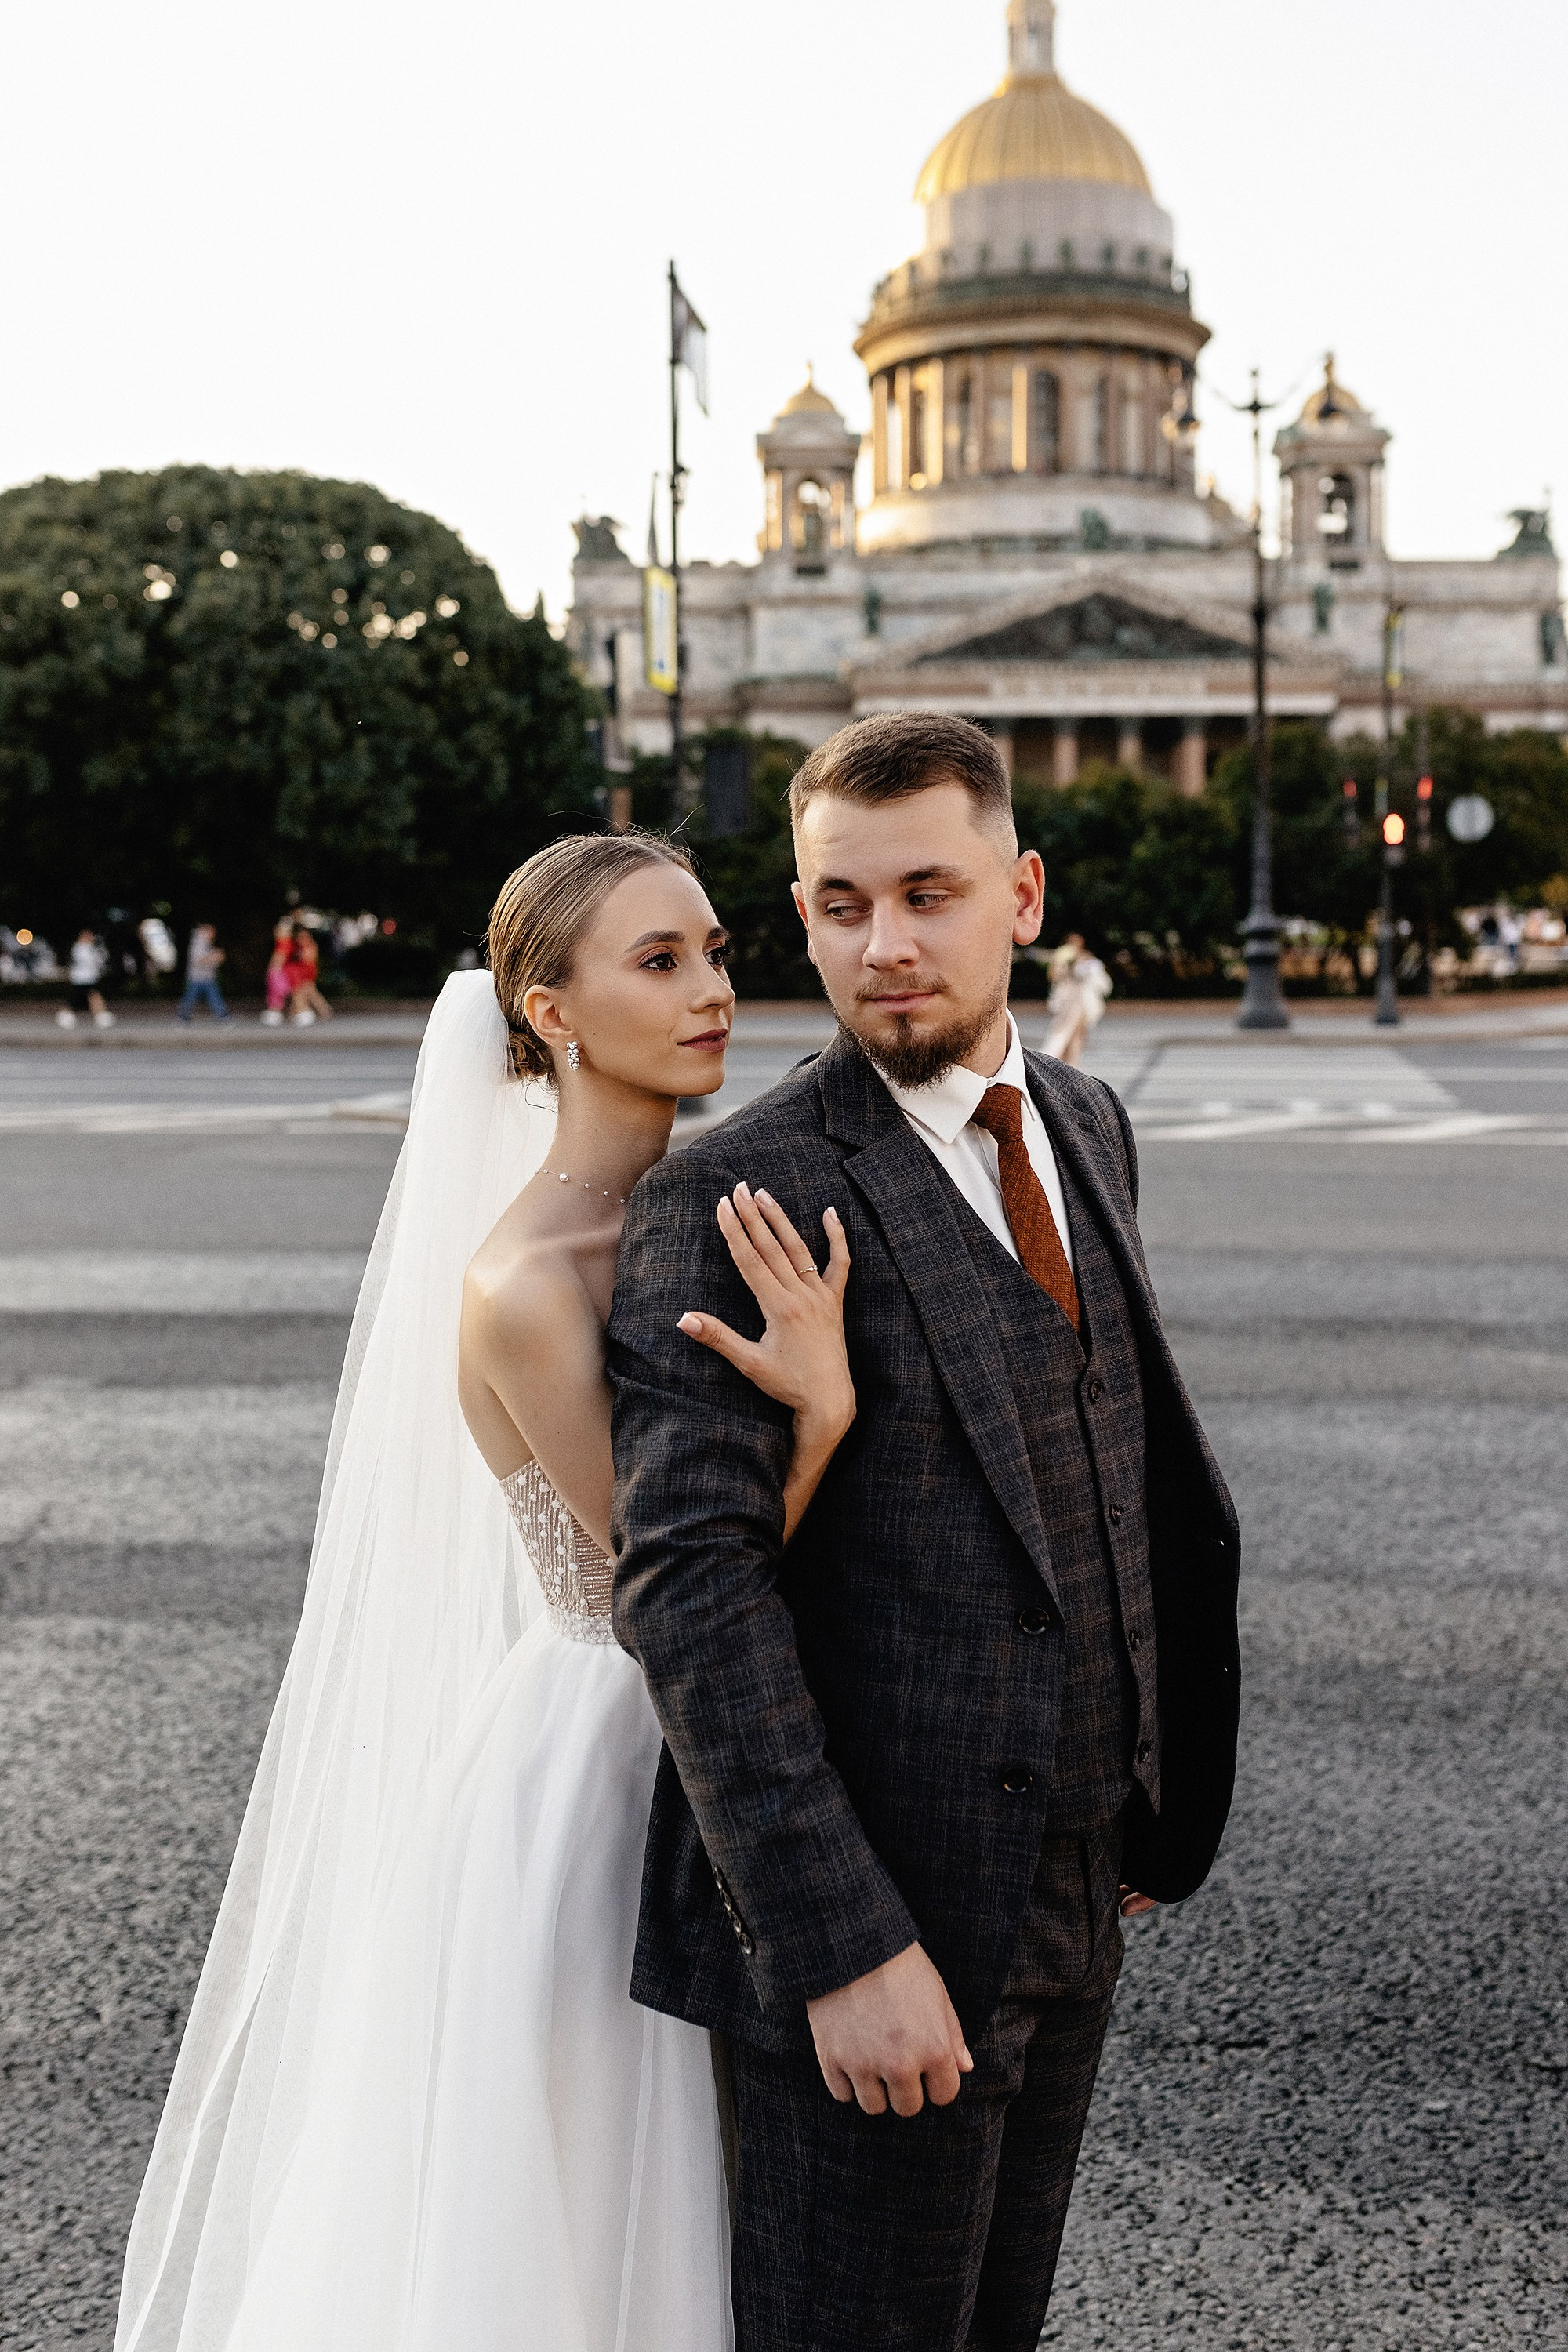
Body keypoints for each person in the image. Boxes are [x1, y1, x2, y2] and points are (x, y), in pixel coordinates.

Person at [114, 831, 854, 2352]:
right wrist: (824, 1417)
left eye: (716, 952)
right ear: (551, 1012)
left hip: (721, 1735)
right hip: (604, 1772)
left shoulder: (716, 1208)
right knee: (594, 2215)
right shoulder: (526, 1282)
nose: (713, 991)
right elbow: (673, 1579)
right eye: (659, 962)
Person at [609, 713, 1241, 2352]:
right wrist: (841, 1949)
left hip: (1077, 1883)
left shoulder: (1086, 1122)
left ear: (1020, 895)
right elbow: (690, 1594)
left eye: (927, 894)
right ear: (803, 915)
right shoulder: (737, 1194)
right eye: (841, 906)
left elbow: (1117, 1462)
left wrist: (1138, 1794)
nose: (882, 945)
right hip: (882, 1919)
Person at [1044, 929, 1113, 1065]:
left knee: (1078, 1033)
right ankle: (1062, 1062)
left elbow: (1098, 978)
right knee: (1066, 1033)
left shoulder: (1087, 958)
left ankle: (1071, 1062)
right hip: (1068, 1001)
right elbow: (1053, 975)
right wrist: (1068, 966)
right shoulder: (1062, 956)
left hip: (1082, 1001)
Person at [56, 926, 114, 1029]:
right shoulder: (79, 947)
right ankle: (65, 1015)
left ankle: (100, 1015)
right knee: (76, 999)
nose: (91, 937)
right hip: (81, 979)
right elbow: (90, 961)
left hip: (90, 978)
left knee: (93, 996)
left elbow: (101, 959)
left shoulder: (91, 947)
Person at [176, 924, 231, 1024]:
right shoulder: (198, 943)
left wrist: (217, 957)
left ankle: (222, 1015)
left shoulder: (206, 943)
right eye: (211, 932)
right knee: (190, 998)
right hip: (196, 977)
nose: (213, 934)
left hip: (207, 977)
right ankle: (183, 1016)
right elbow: (198, 961)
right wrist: (215, 957)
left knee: (214, 997)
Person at [284, 922, 334, 1025]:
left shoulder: (310, 945)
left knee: (303, 992)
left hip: (307, 971)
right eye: (300, 937)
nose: (302, 939)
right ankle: (299, 1012)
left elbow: (309, 958)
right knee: (307, 992)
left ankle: (306, 1012)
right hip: (300, 971)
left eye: (304, 936)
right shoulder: (298, 946)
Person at [260, 915, 293, 1025]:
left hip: (278, 971)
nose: (276, 932)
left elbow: (280, 957)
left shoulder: (284, 942)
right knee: (277, 993)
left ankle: (275, 1014)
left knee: (275, 993)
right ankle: (277, 1013)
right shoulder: (285, 942)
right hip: (281, 970)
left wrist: (273, 969)